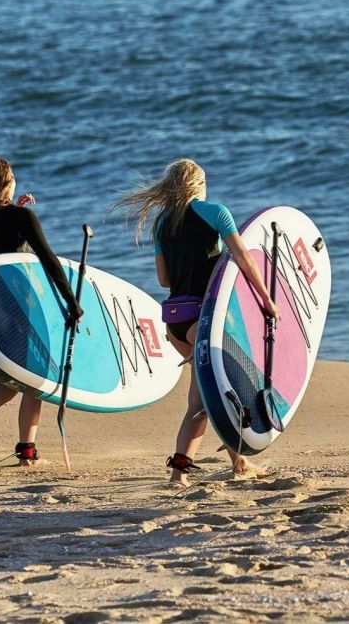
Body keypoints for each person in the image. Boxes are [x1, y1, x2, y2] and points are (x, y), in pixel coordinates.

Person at [114, 159, 278, 486]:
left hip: (176, 323)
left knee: (212, 391)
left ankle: (239, 462)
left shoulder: (163, 223)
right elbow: (244, 259)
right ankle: (178, 471)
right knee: (203, 403)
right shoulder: (215, 212)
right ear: (197, 185)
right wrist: (266, 299)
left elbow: (163, 279)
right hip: (204, 320)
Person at [0, 157, 81, 466]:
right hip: (24, 302)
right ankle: (22, 448)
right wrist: (71, 301)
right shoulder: (21, 216)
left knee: (18, 376)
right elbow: (48, 259)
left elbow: (0, 247)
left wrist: (16, 209)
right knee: (35, 377)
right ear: (7, 181)